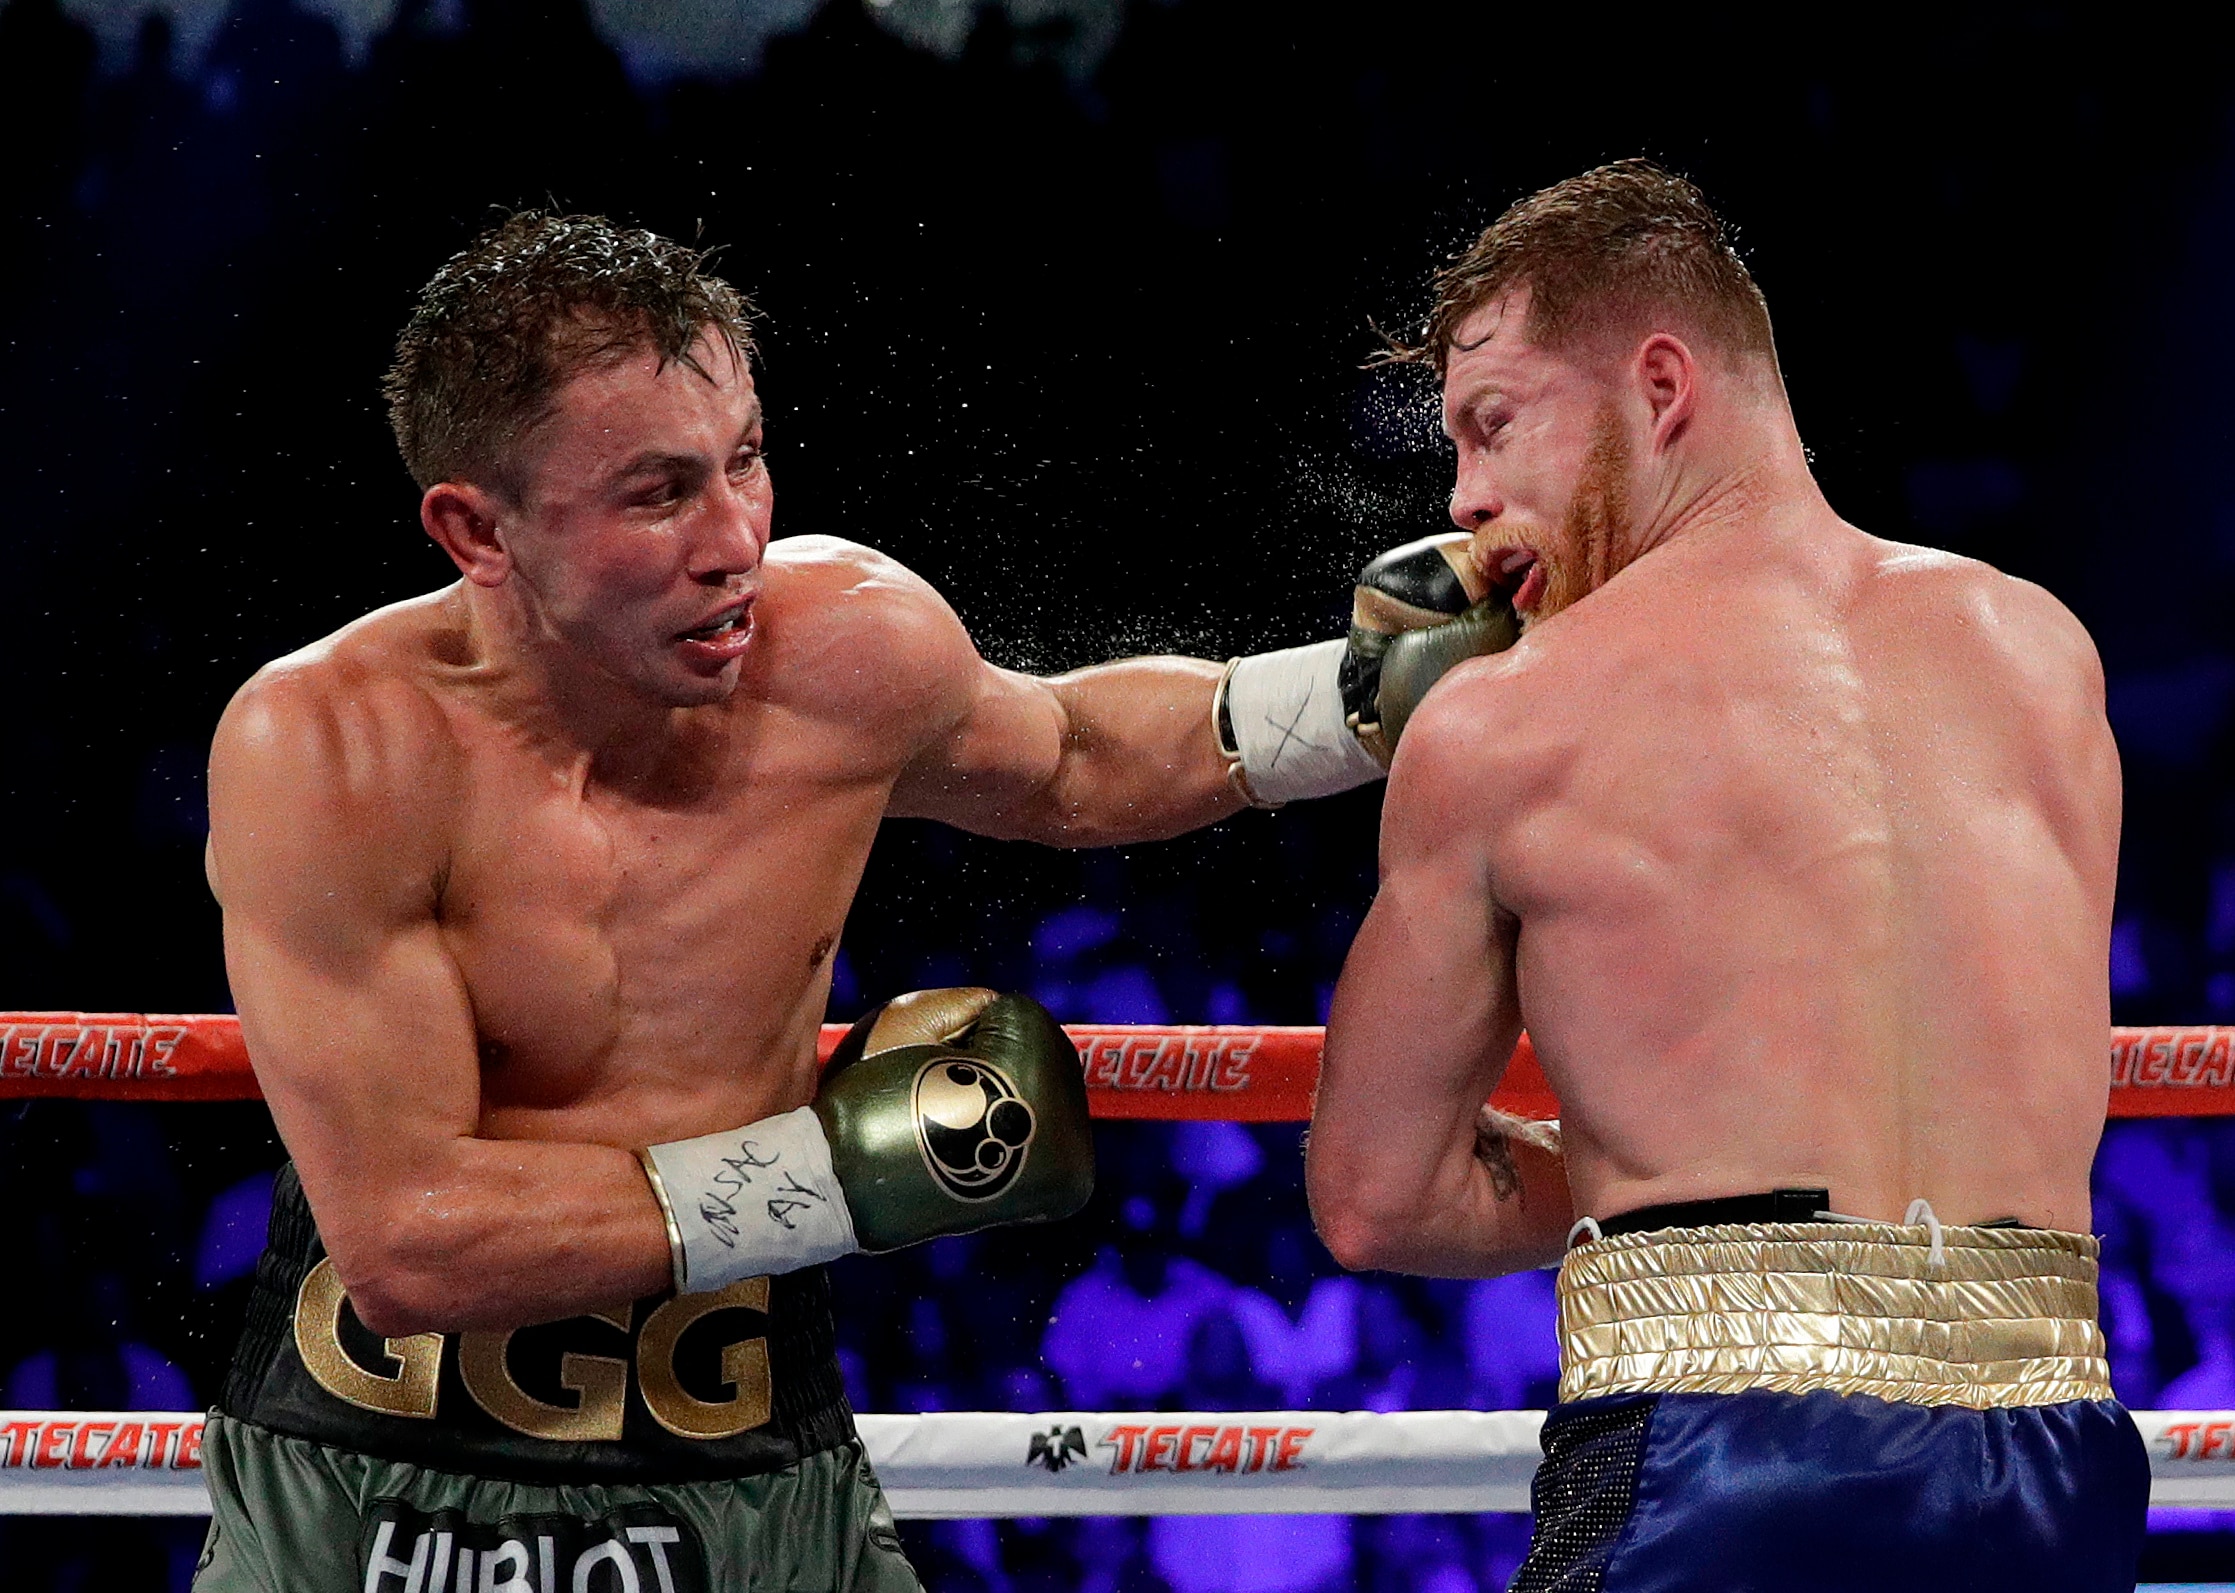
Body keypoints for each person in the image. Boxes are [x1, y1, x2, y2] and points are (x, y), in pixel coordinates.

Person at [194, 211, 1495, 1593]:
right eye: (656, 493)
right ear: (477, 527)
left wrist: (1357, 699)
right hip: (375, 1480)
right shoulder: (334, 748)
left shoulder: (842, 650)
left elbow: (1071, 756)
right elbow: (407, 1238)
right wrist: (840, 1182)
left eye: (743, 459)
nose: (733, 538)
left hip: (748, 1459)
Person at [1304, 161, 2149, 1590]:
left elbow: (1376, 1192)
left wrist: (1685, 1188)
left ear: (1659, 385)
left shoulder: (1510, 720)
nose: (1466, 499)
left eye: (1493, 427)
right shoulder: (2043, 654)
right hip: (2054, 1459)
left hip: (1723, 1460)